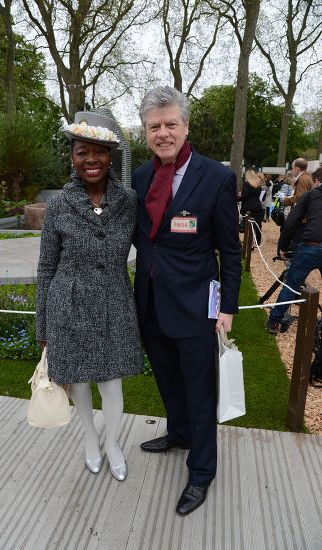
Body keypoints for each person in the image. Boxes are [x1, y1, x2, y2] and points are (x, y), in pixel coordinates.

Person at [131, 86, 242, 515]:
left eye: (170, 124)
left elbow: (230, 252)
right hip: (152, 304)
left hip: (197, 308)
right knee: (167, 382)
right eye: (154, 126)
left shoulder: (215, 176)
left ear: (185, 126)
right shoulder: (140, 177)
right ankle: (178, 433)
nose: (163, 133)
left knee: (200, 393)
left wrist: (227, 307)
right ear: (145, 132)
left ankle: (202, 473)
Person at [36, 112, 143, 481]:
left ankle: (113, 442)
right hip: (69, 304)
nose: (91, 160)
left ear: (111, 156)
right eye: (83, 152)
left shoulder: (129, 200)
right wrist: (43, 325)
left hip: (114, 303)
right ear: (72, 157)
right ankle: (90, 439)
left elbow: (154, 247)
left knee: (112, 382)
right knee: (79, 382)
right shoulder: (58, 206)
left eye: (99, 152)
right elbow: (46, 268)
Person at [265, 183, 322, 334]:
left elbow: (291, 221)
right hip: (311, 243)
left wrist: (283, 247)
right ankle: (275, 320)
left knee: (291, 285)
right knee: (292, 284)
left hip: (311, 245)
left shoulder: (310, 195)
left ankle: (274, 322)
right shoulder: (310, 195)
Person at [239, 169, 263, 246]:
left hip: (249, 207)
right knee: (258, 225)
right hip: (258, 206)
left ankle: (249, 243)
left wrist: (236, 198)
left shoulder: (247, 184)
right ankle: (257, 242)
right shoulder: (258, 185)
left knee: (249, 226)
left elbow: (245, 197)